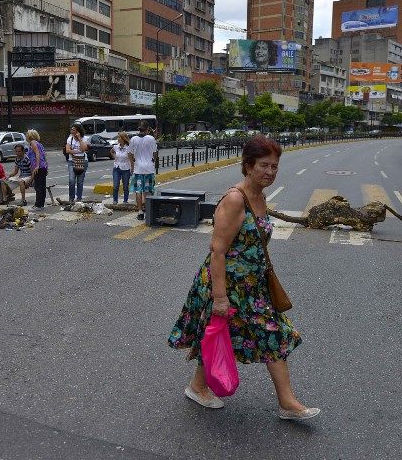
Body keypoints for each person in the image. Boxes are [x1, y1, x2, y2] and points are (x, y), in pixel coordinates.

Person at [168, 136, 319, 420]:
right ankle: (284, 402)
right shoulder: (236, 199)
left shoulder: (260, 196)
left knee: (228, 334)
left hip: (253, 287)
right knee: (260, 334)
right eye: (264, 165)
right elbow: (217, 250)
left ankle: (200, 386)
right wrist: (220, 297)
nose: (270, 172)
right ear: (248, 166)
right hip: (226, 285)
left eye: (275, 167)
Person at [128, 121, 158, 220]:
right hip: (149, 168)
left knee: (138, 191)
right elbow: (155, 153)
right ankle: (148, 210)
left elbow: (130, 154)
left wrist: (132, 165)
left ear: (139, 129)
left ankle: (140, 212)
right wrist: (153, 161)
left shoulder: (133, 139)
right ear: (147, 129)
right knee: (148, 190)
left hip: (138, 169)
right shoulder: (151, 138)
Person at [65, 123, 88, 202]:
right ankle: (71, 198)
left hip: (82, 161)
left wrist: (79, 138)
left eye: (73, 130)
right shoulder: (70, 139)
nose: (71, 131)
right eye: (71, 129)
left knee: (80, 181)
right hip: (72, 161)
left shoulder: (84, 138)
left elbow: (84, 148)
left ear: (78, 131)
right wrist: (75, 151)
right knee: (71, 180)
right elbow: (67, 150)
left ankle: (79, 198)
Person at [26, 129, 48, 211]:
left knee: (38, 186)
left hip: (38, 167)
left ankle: (38, 205)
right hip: (43, 167)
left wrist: (37, 165)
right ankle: (41, 204)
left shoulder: (33, 142)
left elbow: (37, 154)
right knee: (42, 186)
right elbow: (44, 156)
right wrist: (46, 167)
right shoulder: (39, 144)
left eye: (27, 134)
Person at [109, 131, 131, 205]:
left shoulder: (128, 148)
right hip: (117, 168)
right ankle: (115, 200)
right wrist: (114, 157)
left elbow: (131, 159)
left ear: (123, 138)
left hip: (126, 168)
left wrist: (132, 168)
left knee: (125, 186)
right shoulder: (116, 147)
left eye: (119, 137)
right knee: (115, 186)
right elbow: (111, 151)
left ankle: (125, 201)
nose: (118, 139)